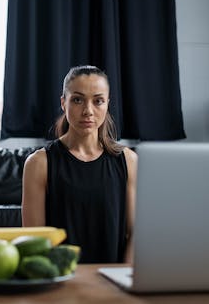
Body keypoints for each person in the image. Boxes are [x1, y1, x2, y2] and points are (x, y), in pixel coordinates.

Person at [22, 65, 137, 263]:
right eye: (77, 100)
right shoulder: (39, 163)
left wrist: (122, 279)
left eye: (98, 101)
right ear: (63, 103)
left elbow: (137, 233)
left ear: (107, 104)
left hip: (113, 284)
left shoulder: (129, 160)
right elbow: (35, 241)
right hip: (60, 283)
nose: (88, 111)